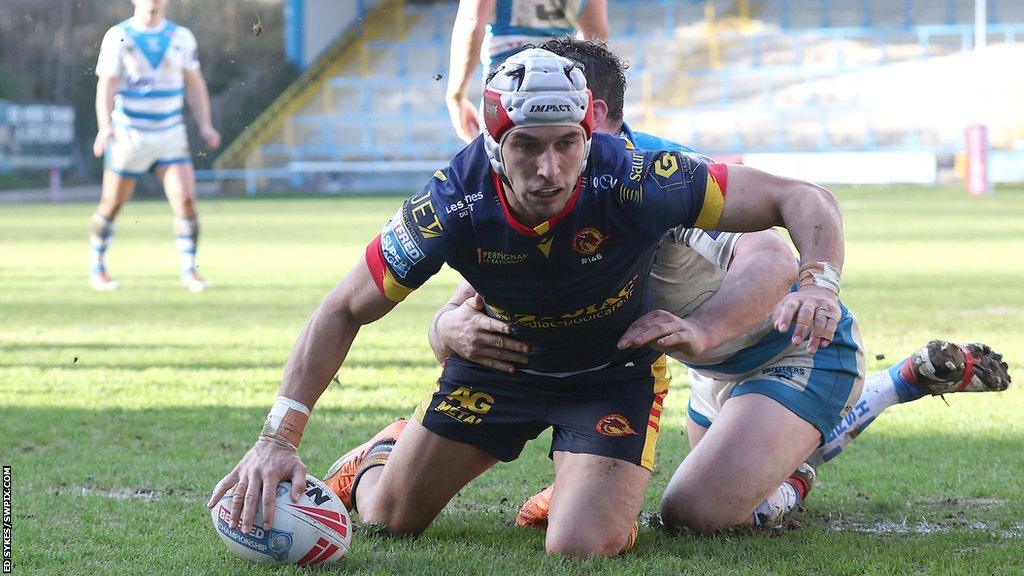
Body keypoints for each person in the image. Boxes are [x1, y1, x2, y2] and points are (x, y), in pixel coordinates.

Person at [208, 47, 850, 558]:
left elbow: (803, 199)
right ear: (493, 144)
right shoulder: (450, 204)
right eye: (527, 147)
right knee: (387, 519)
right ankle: (382, 455)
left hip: (609, 377)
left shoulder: (637, 176)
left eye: (567, 143)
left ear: (588, 133)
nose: (550, 168)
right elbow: (344, 307)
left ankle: (589, 491)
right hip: (501, 369)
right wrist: (278, 438)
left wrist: (819, 280)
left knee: (580, 547)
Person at [427, 37, 1012, 533]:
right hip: (709, 374)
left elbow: (771, 256)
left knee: (697, 513)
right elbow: (495, 287)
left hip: (793, 353)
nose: (541, 153)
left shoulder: (653, 175)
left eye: (561, 126)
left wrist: (715, 325)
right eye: (526, 134)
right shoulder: (545, 187)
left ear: (592, 112)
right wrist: (446, 324)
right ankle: (784, 456)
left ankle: (887, 390)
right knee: (693, 490)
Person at [91, 0, 220, 292]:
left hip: (169, 133)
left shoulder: (181, 37)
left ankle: (190, 271)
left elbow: (195, 84)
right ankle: (97, 267)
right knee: (111, 204)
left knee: (186, 199)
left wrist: (206, 125)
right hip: (130, 133)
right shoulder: (118, 35)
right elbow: (106, 85)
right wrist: (104, 127)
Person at [447, 0, 608, 143]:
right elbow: (596, 34)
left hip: (507, 85)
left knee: (501, 165)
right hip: (562, 84)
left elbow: (472, 25)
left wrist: (457, 95)